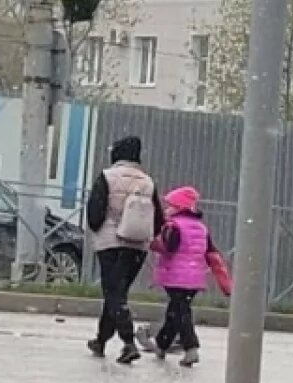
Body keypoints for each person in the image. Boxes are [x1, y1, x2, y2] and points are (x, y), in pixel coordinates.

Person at [84, 135, 164, 364]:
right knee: (117, 293)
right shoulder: (148, 182)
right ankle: (101, 339)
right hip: (137, 246)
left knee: (114, 293)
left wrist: (100, 229)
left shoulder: (107, 176)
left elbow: (95, 212)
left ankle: (128, 342)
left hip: (110, 243)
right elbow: (158, 218)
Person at [139, 186, 228, 367]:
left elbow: (168, 248)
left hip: (175, 277)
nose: (166, 210)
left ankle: (191, 347)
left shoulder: (174, 226)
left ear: (179, 208)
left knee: (181, 312)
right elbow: (212, 255)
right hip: (194, 278)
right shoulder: (201, 228)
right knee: (176, 311)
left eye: (169, 206)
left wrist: (152, 243)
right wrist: (226, 283)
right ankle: (162, 344)